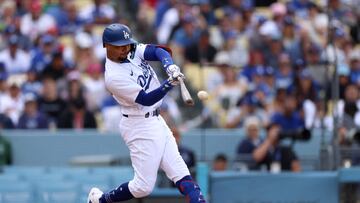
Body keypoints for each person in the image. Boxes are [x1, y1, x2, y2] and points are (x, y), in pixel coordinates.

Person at [87, 23, 206, 203]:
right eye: (119, 46)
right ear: (107, 46)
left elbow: (159, 51)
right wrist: (168, 84)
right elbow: (146, 99)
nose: (125, 49)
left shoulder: (130, 49)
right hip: (138, 125)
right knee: (143, 187)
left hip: (156, 120)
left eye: (126, 44)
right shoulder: (113, 77)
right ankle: (100, 200)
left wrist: (170, 66)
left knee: (182, 174)